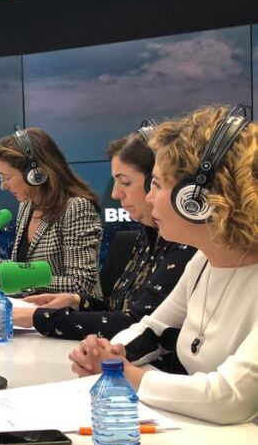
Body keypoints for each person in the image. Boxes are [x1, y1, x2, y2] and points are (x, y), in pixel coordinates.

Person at [69, 105, 258, 425]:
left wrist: (126, 375)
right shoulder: (203, 262)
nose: (149, 197)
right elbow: (152, 330)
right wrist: (109, 352)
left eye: (156, 184)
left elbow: (229, 397)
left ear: (195, 198)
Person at [16, 133, 196, 369]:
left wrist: (39, 318)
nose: (115, 194)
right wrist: (77, 302)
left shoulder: (188, 244)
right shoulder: (149, 233)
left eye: (125, 182)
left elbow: (135, 322)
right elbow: (124, 307)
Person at [0, 126, 102, 297]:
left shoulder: (76, 208)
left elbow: (81, 284)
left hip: (70, 312)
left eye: (7, 177)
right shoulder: (27, 206)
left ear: (35, 173)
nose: (3, 186)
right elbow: (23, 268)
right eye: (0, 177)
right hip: (31, 309)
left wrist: (9, 281)